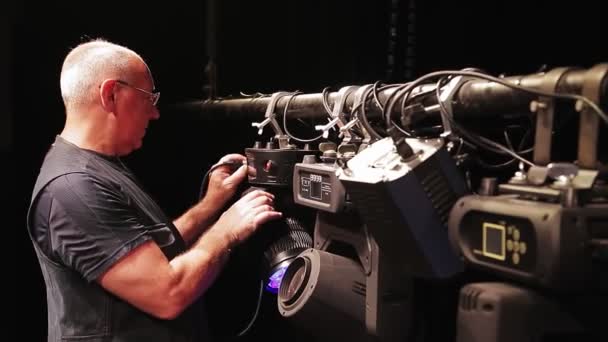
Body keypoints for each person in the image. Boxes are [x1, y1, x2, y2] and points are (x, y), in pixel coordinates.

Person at [26, 38, 283, 341]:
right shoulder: (74, 188)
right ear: (110, 94)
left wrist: (211, 204)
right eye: (148, 97)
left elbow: (148, 247)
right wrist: (226, 230)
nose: (155, 113)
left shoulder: (98, 167)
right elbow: (168, 294)